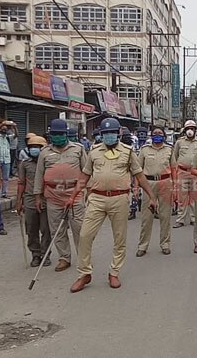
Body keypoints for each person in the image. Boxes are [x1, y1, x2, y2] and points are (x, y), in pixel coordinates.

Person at [68, 118, 157, 293]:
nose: (109, 136)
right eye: (106, 133)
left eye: (112, 133)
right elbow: (84, 176)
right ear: (101, 135)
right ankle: (84, 273)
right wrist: (73, 196)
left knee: (119, 238)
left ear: (118, 134)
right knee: (85, 235)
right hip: (97, 198)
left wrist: (152, 197)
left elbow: (139, 176)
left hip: (119, 198)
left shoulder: (128, 152)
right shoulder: (93, 152)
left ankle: (114, 272)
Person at [33, 118, 87, 272]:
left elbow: (87, 172)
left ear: (66, 134)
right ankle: (64, 258)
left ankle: (83, 258)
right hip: (53, 195)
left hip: (75, 194)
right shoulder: (45, 153)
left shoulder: (78, 149)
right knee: (57, 229)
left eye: (60, 134)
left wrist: (88, 191)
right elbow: (39, 175)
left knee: (79, 228)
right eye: (54, 134)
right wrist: (37, 196)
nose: (57, 137)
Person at [136, 126, 176, 256]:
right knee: (147, 217)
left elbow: (174, 169)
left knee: (165, 216)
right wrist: (136, 187)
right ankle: (142, 246)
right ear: (150, 135)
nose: (157, 135)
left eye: (160, 133)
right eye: (155, 133)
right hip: (149, 184)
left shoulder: (169, 150)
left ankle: (165, 244)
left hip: (165, 183)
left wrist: (175, 187)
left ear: (164, 136)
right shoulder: (144, 150)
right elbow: (138, 170)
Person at [16, 136, 51, 267]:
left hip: (46, 198)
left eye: (37, 147)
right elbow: (21, 183)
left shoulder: (49, 162)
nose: (34, 150)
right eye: (31, 147)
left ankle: (46, 254)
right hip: (30, 199)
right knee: (31, 229)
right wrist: (18, 201)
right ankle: (35, 255)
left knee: (46, 228)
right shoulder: (24, 164)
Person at [173, 120, 197, 228]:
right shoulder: (179, 142)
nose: (190, 131)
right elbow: (175, 156)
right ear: (185, 130)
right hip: (182, 172)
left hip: (195, 173)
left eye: (192, 128)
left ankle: (193, 218)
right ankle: (180, 219)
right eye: (188, 129)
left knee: (194, 197)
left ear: (196, 130)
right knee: (182, 197)